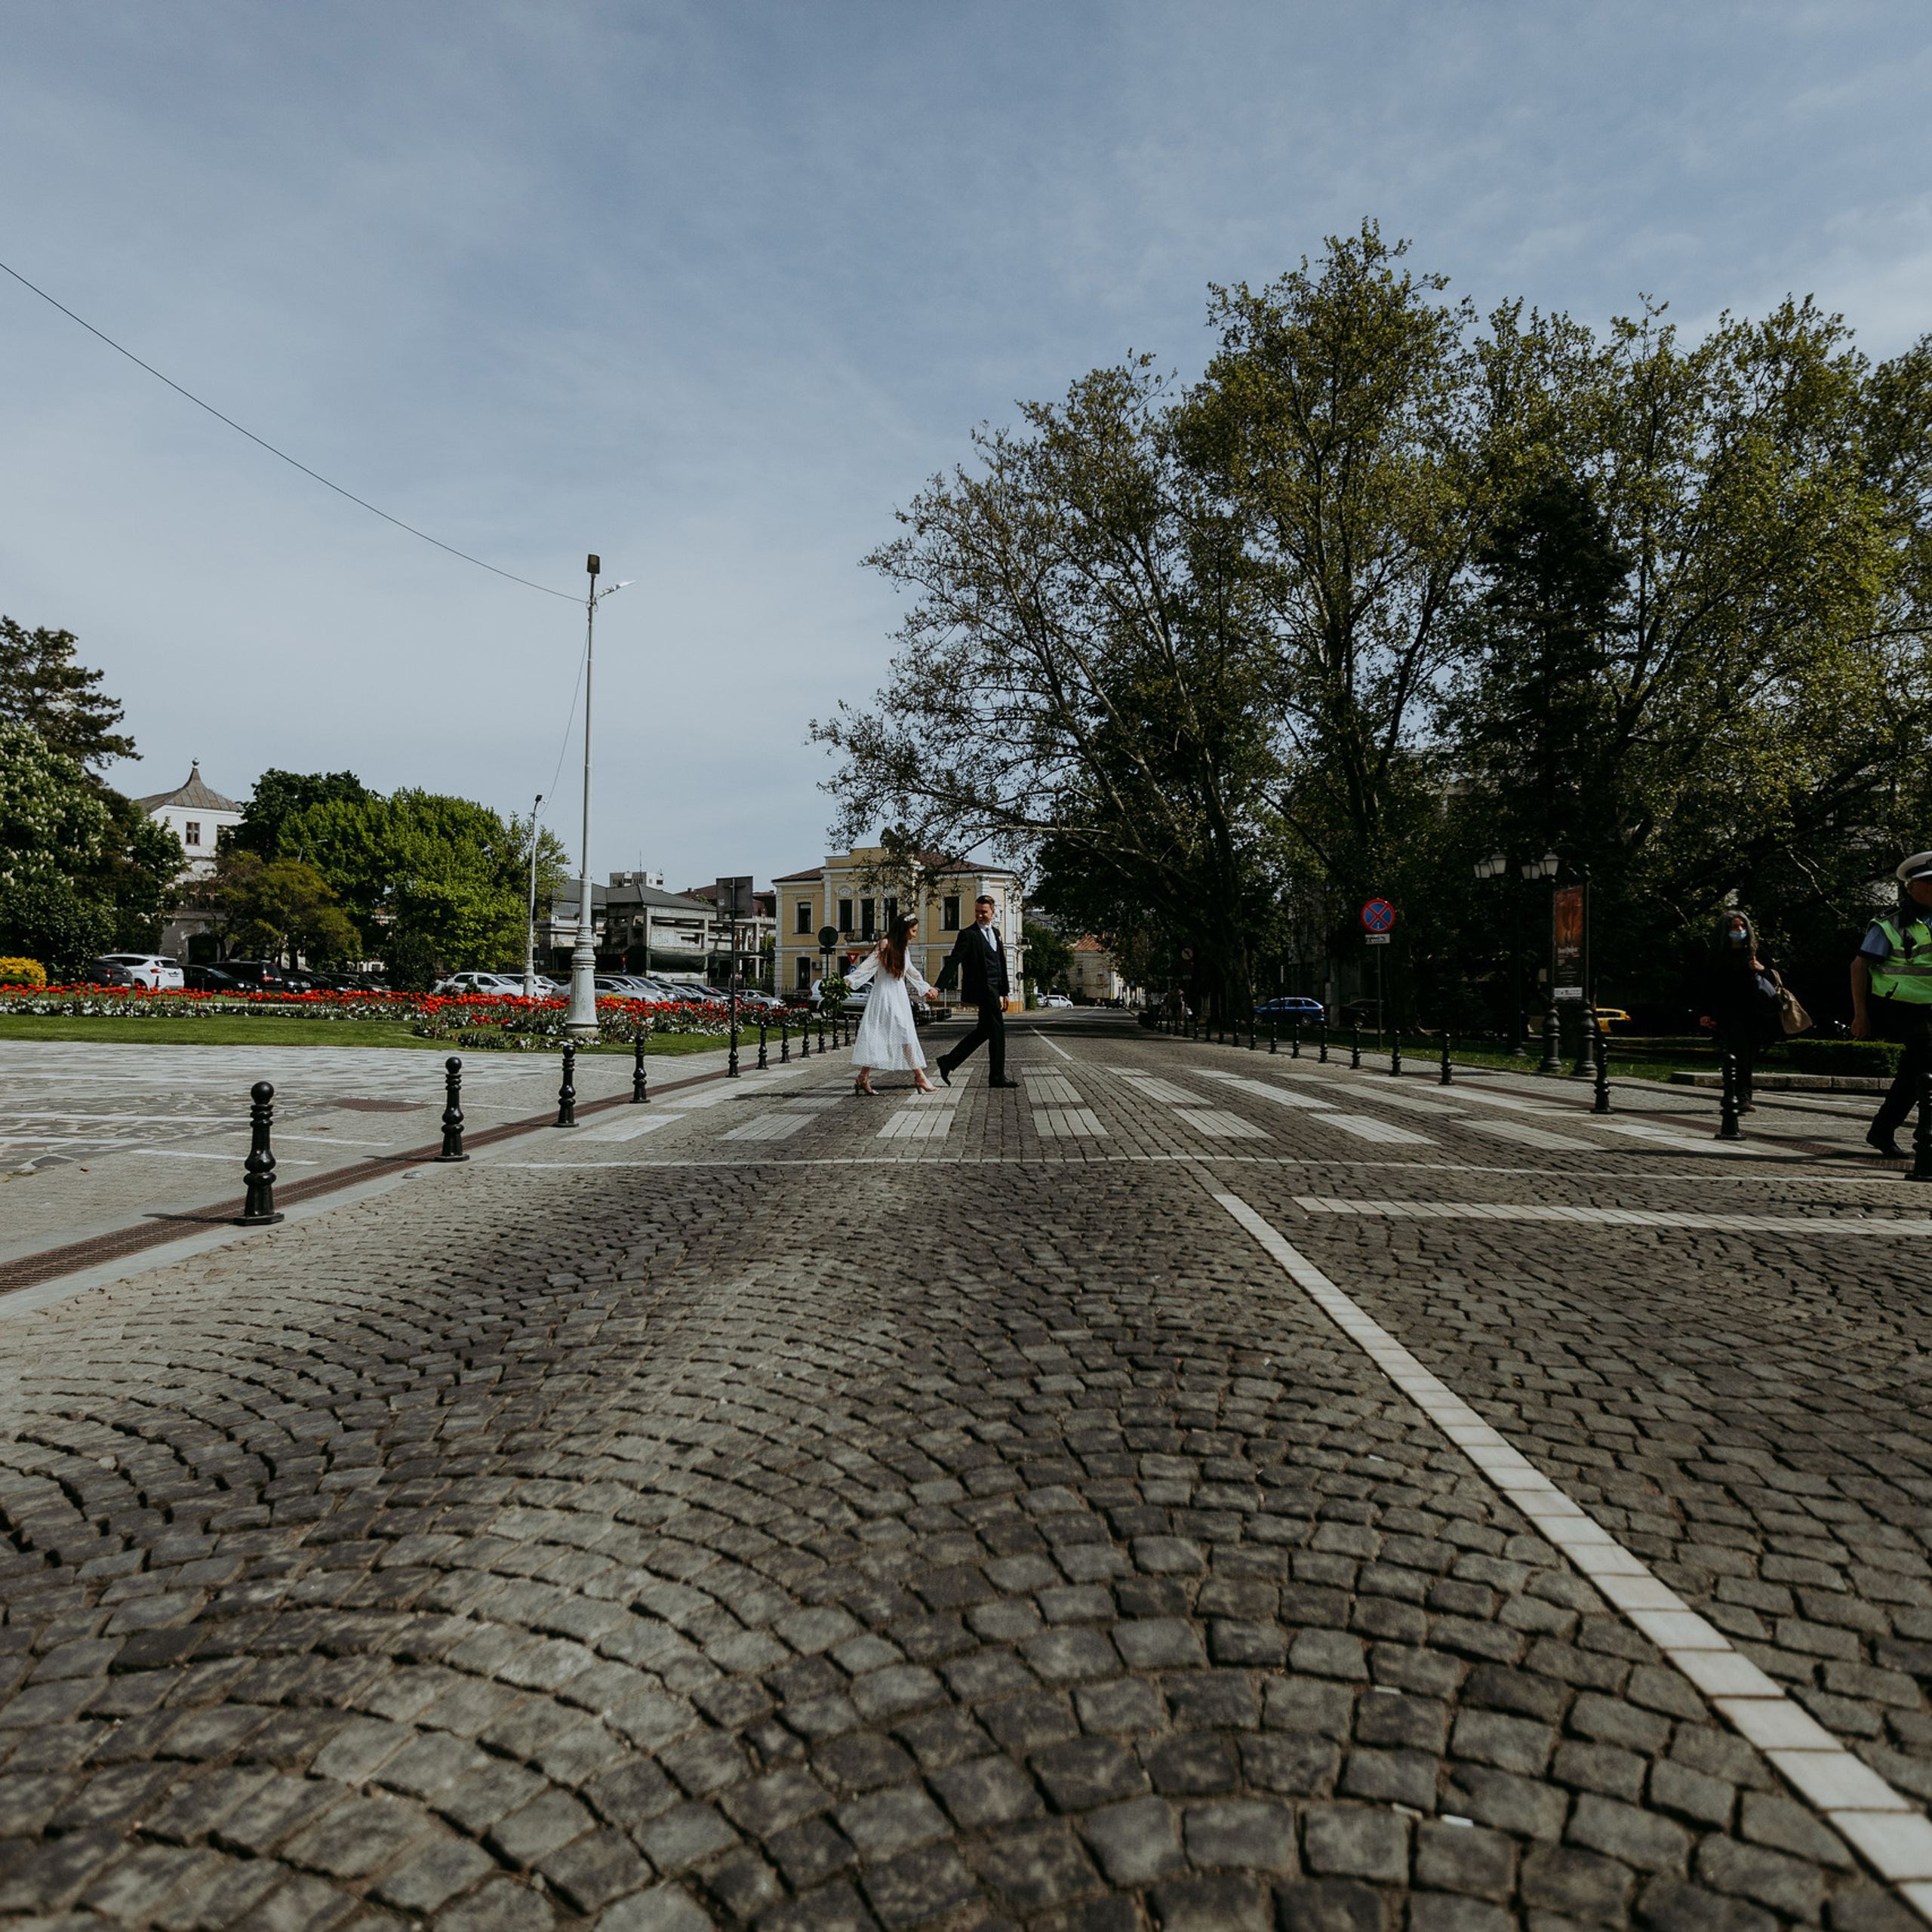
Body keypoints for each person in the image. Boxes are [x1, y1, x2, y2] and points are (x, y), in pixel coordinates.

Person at [1852, 851, 1932, 1158]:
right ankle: (1923, 1138)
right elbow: (1859, 966)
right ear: (1911, 887)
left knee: (1914, 1073)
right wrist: (1860, 1015)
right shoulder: (1890, 923)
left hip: (1928, 1008)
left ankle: (1882, 1130)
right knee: (1925, 1066)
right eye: (1929, 883)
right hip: (1900, 1006)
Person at [845, 914, 942, 1096]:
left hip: (898, 995)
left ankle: (863, 1077)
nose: (914, 935)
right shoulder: (885, 944)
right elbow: (868, 965)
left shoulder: (904, 948)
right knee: (902, 1033)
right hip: (884, 995)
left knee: (886, 1036)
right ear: (903, 930)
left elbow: (911, 971)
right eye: (913, 931)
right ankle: (920, 1076)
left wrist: (926, 988)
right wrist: (849, 980)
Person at [935, 893, 1019, 1089]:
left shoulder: (996, 933)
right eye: (977, 912)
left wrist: (1005, 993)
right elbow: (953, 961)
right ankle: (997, 1077)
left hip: (995, 988)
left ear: (992, 912)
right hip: (982, 989)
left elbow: (1000, 963)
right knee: (998, 1032)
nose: (980, 915)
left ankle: (949, 1061)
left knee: (985, 1030)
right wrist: (939, 986)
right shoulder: (968, 934)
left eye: (984, 912)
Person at [1697, 911, 1777, 1112]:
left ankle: (1743, 1095)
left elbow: (1776, 978)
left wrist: (1761, 969)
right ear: (1725, 930)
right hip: (1727, 1011)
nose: (1739, 930)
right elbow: (1707, 985)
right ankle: (1738, 1096)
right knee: (1737, 1051)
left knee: (1749, 1055)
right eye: (1734, 927)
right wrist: (1705, 1012)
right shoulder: (1716, 955)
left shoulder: (1757, 952)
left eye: (1742, 926)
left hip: (1754, 1010)